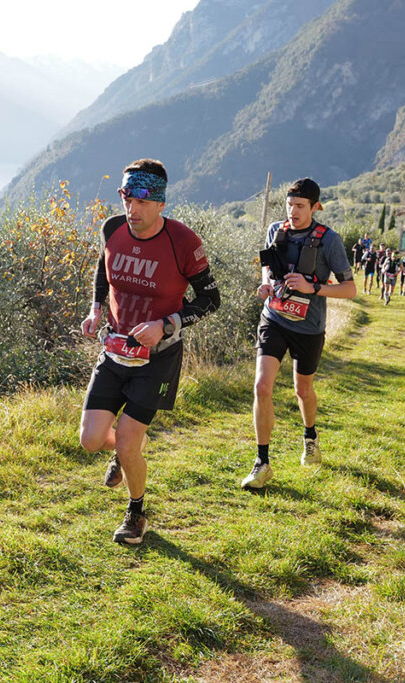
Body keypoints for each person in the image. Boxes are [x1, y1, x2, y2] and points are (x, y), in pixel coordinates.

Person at [80, 158, 221, 544]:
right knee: (90, 440)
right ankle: (126, 454)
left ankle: (136, 513)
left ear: (160, 203)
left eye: (141, 201)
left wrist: (166, 324)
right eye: (126, 198)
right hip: (114, 351)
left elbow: (211, 299)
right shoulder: (113, 228)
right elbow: (104, 268)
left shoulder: (183, 242)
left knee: (128, 441)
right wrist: (95, 310)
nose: (132, 208)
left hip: (157, 358)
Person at [242, 178, 356, 490]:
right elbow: (268, 265)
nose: (293, 212)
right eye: (289, 205)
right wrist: (266, 284)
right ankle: (262, 462)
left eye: (300, 206)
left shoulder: (329, 240)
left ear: (315, 207)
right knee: (262, 386)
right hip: (274, 318)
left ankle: (310, 436)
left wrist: (313, 287)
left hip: (309, 328)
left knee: (302, 390)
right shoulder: (275, 230)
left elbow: (350, 289)